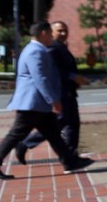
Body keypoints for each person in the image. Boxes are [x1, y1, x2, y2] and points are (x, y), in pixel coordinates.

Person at [0, 23, 94, 180]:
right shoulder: (36, 51)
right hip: (32, 102)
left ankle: (70, 161)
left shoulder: (36, 49)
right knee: (15, 135)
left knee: (53, 134)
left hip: (38, 103)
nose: (52, 38)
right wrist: (53, 100)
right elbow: (40, 78)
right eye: (50, 34)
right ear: (43, 33)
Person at [15, 20, 84, 163]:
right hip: (60, 92)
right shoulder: (51, 48)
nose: (64, 33)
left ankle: (71, 156)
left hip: (68, 91)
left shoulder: (61, 47)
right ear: (50, 32)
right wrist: (73, 77)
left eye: (65, 30)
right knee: (58, 125)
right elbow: (53, 72)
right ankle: (25, 143)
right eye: (60, 31)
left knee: (71, 124)